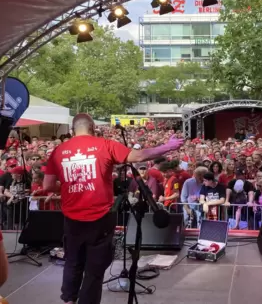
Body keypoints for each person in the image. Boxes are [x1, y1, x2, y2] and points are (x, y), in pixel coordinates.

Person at [43, 113, 183, 304]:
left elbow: (47, 185)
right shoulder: (105, 145)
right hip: (100, 217)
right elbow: (139, 155)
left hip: (72, 219)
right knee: (94, 269)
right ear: (92, 127)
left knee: (72, 261)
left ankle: (69, 300)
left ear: (73, 130)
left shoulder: (59, 150)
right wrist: (168, 146)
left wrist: (67, 186)